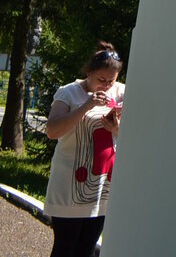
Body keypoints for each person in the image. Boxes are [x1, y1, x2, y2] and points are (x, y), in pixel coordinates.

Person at [43, 42, 125, 257]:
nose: (106, 86)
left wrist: (117, 129)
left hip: (101, 188)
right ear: (88, 73)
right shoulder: (69, 93)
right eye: (101, 80)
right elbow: (52, 130)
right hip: (69, 188)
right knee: (65, 248)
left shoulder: (122, 92)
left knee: (87, 249)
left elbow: (136, 135)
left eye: (111, 81)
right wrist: (87, 106)